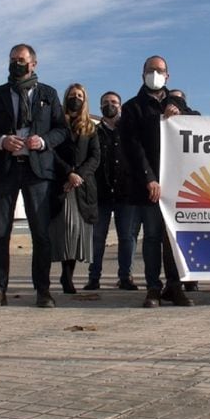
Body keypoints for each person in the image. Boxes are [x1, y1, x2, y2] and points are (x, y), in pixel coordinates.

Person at [0, 44, 68, 308]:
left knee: (40, 233)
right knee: (1, 232)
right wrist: (3, 140)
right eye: (13, 59)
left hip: (37, 171)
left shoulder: (48, 94)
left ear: (33, 64)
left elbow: (61, 129)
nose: (16, 63)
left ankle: (42, 290)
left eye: (22, 60)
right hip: (5, 170)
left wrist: (43, 141)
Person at [119, 55, 193, 308]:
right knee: (151, 237)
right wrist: (149, 178)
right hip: (148, 185)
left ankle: (175, 286)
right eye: (151, 70)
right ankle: (153, 287)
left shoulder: (176, 103)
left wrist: (180, 112)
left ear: (168, 76)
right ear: (142, 74)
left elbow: (199, 125)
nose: (155, 74)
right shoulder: (131, 108)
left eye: (160, 70)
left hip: (177, 186)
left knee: (173, 237)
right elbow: (133, 148)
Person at [83, 91, 139, 291]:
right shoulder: (93, 132)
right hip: (101, 194)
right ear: (100, 108)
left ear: (121, 106)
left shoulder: (131, 131)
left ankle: (125, 277)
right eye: (105, 102)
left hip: (126, 194)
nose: (110, 105)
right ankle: (94, 278)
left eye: (114, 102)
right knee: (97, 238)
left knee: (127, 238)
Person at [51, 84, 101, 294]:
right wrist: (68, 173)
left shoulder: (90, 127)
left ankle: (68, 276)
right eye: (72, 95)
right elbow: (51, 152)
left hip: (82, 186)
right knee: (65, 231)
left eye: (79, 96)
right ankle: (64, 276)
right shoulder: (57, 125)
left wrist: (79, 175)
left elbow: (95, 156)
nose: (76, 98)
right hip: (62, 186)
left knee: (78, 232)